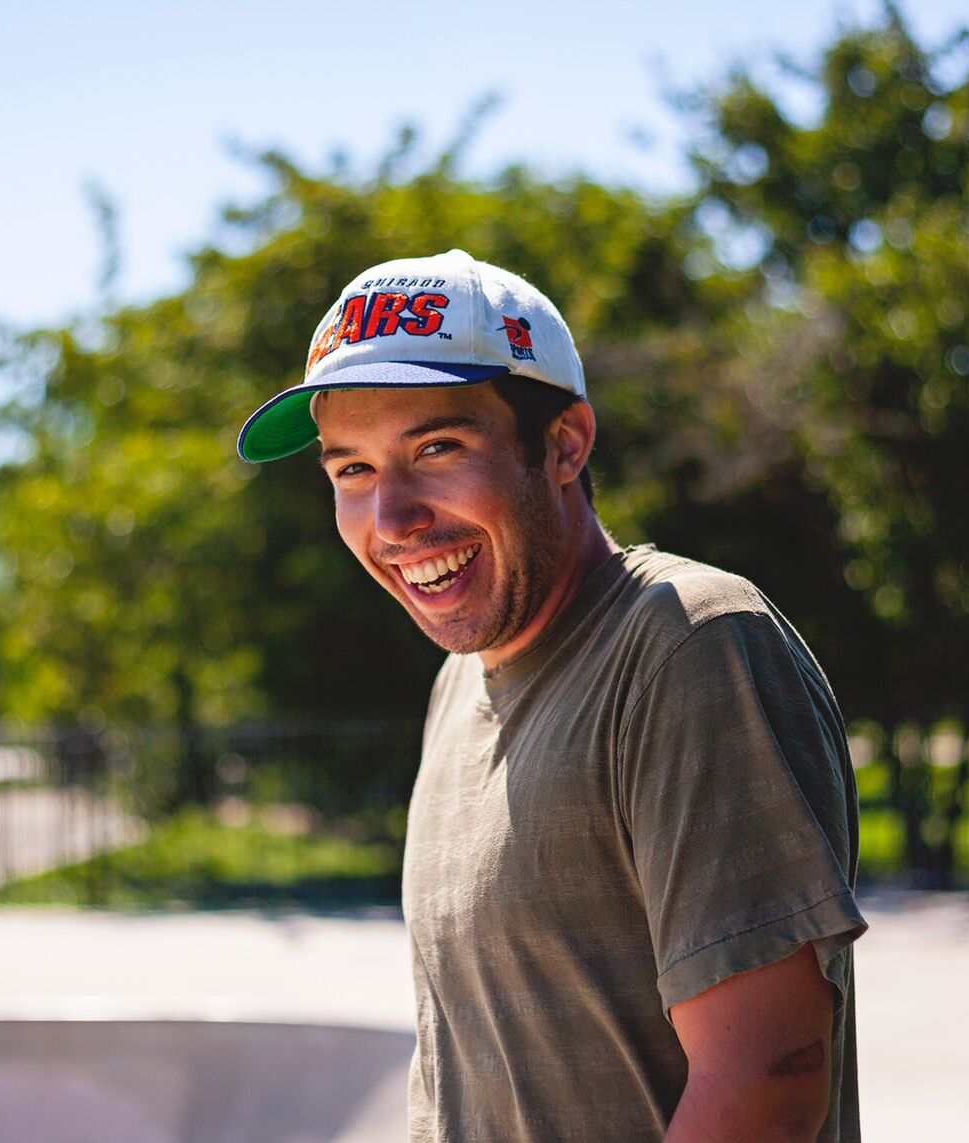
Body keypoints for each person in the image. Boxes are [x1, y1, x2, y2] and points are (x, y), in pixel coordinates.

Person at [237, 249, 865, 1142]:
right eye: (353, 471)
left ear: (564, 443)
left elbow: (763, 1087)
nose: (393, 519)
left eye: (436, 448)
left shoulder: (688, 644)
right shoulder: (459, 684)